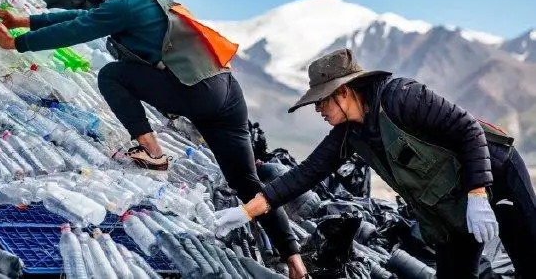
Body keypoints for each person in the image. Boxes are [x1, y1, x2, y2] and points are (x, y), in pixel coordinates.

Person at [0, 0, 307, 278]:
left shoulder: (128, 0)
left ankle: (153, 152)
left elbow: (81, 28)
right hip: (226, 93)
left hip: (196, 93)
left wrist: (17, 43)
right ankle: (296, 262)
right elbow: (88, 14)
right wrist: (25, 20)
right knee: (247, 183)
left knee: (113, 75)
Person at [214, 48, 536, 278]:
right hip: (451, 206)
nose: (318, 110)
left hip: (498, 173)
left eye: (321, 100)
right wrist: (245, 212)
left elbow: (467, 128)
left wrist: (478, 194)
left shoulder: (402, 97)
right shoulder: (349, 134)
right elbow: (304, 175)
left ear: (344, 92)